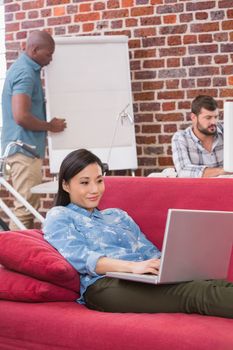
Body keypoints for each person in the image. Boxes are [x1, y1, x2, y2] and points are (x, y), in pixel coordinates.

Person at [43, 148, 233, 318]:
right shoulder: (59, 216)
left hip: (143, 277)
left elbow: (149, 252)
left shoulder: (117, 215)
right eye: (84, 182)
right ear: (66, 185)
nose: (94, 189)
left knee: (212, 282)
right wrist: (132, 267)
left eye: (99, 181)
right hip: (105, 285)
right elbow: (82, 259)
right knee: (196, 293)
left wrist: (175, 266)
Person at [1, 30, 67, 229]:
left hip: (22, 148)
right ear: (34, 50)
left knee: (25, 207)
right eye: (48, 54)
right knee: (25, 210)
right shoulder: (26, 73)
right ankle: (14, 259)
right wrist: (50, 126)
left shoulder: (26, 69)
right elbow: (21, 116)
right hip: (23, 150)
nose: (51, 59)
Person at [172, 95, 232, 178]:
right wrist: (223, 171)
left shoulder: (227, 130)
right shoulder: (181, 138)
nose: (214, 122)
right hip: (196, 189)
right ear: (193, 117)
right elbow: (183, 170)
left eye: (216, 117)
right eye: (208, 118)